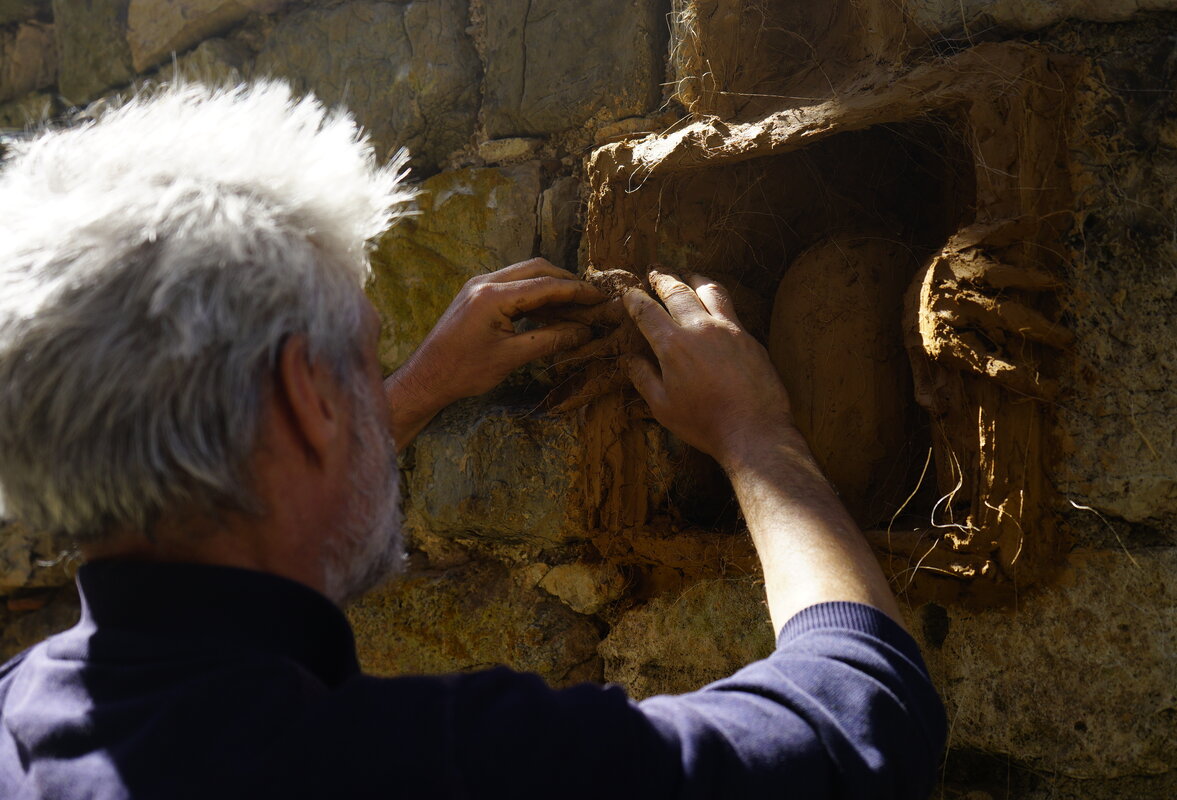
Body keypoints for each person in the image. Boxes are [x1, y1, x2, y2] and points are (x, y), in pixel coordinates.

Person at [0, 82, 944, 799]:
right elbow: (862, 720)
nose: (381, 382)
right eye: (366, 360)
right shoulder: (436, 764)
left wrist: (414, 390)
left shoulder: (19, 722)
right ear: (303, 399)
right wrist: (757, 438)